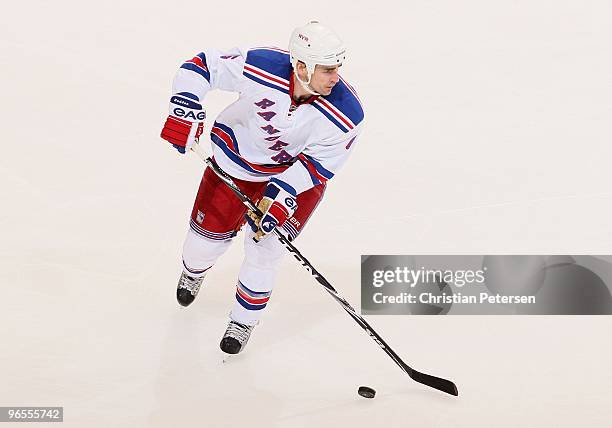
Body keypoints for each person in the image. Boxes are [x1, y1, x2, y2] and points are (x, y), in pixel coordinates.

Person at [160, 21, 364, 355]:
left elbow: (320, 164)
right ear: (301, 66)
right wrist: (185, 106)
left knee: (265, 251)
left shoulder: (347, 112)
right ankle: (193, 272)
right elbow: (200, 66)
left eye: (337, 68)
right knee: (202, 246)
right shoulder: (261, 64)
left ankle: (242, 321)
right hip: (235, 163)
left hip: (293, 179)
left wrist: (284, 193)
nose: (336, 78)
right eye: (327, 70)